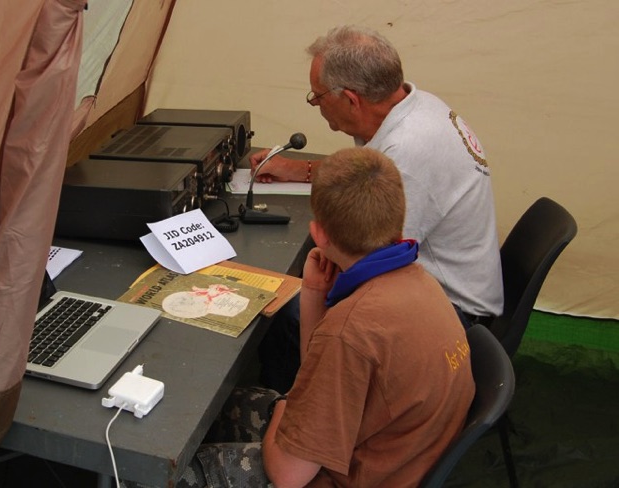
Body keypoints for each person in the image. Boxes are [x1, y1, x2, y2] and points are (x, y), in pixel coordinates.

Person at [128, 147, 475, 488]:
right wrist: (312, 292)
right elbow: (323, 374)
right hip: (393, 456)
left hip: (341, 477)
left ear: (319, 234)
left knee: (155, 474)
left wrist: (286, 406)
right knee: (213, 410)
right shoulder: (421, 283)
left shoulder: (351, 330)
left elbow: (288, 476)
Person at [255, 25, 503, 392]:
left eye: (317, 97)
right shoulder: (413, 104)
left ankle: (292, 408)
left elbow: (369, 261)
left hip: (453, 312)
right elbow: (366, 168)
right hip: (445, 285)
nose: (316, 105)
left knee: (284, 312)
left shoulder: (408, 151)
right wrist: (299, 170)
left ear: (351, 100)